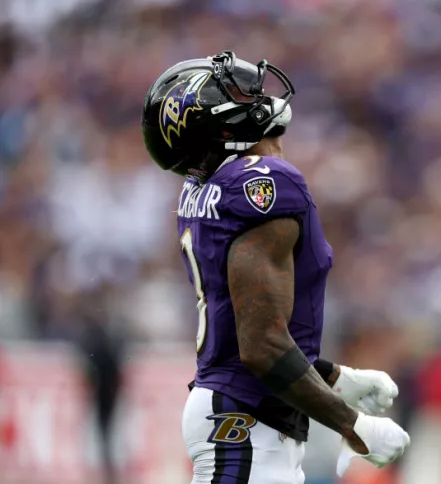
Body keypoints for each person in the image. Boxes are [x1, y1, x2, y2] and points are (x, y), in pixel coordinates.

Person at [141, 51, 410, 484]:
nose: (254, 92)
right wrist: (353, 425)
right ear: (220, 125)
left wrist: (336, 379)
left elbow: (246, 328)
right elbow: (261, 345)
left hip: (242, 416)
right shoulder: (262, 182)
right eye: (233, 91)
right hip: (245, 423)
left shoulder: (209, 187)